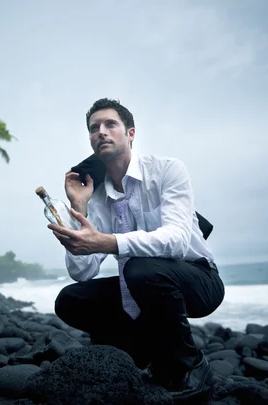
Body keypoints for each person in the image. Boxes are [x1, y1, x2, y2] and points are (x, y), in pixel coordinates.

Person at [47, 98, 225, 401]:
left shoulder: (168, 170)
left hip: (198, 280)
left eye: (110, 124)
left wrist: (108, 242)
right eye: (94, 128)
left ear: (130, 133)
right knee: (70, 300)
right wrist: (80, 209)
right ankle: (141, 353)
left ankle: (191, 365)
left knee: (138, 268)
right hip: (140, 286)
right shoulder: (98, 196)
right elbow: (82, 272)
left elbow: (178, 240)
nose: (101, 132)